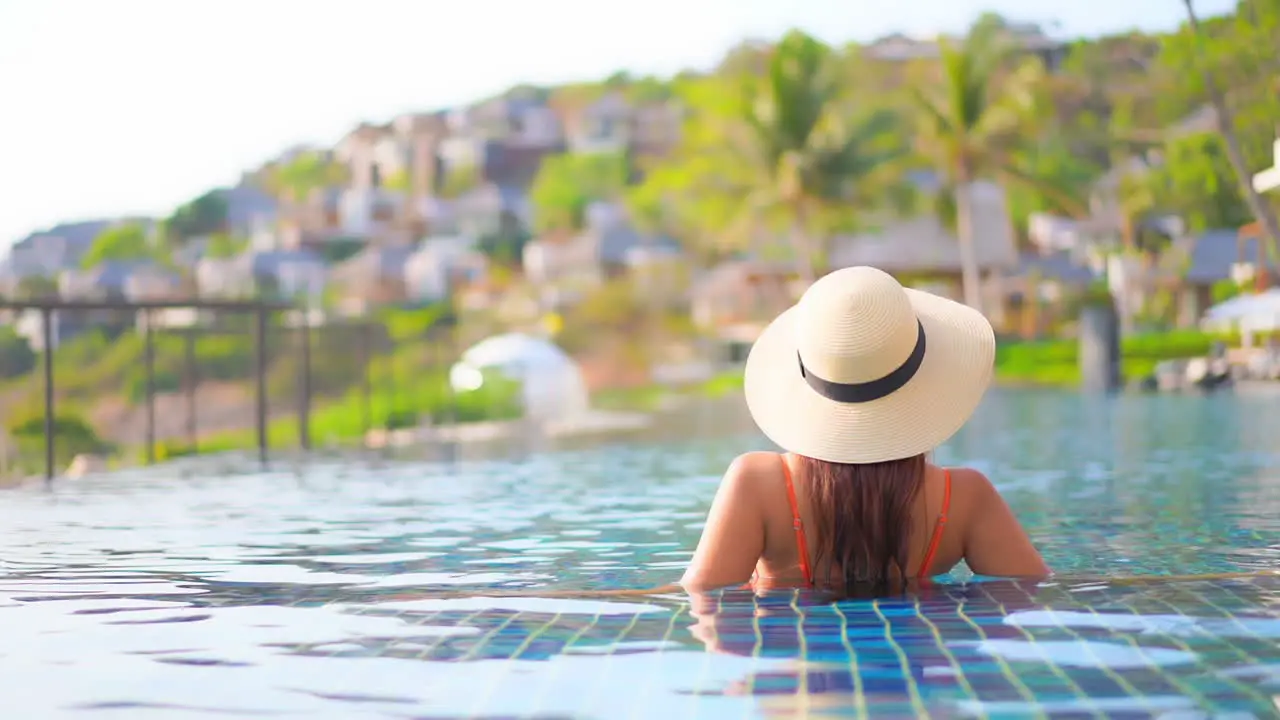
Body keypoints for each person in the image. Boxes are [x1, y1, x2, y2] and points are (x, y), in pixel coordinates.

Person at [681, 266, 1049, 594]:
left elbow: (706, 606)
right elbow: (1030, 594)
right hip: (916, 662)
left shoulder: (757, 485)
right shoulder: (964, 498)